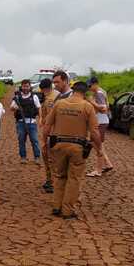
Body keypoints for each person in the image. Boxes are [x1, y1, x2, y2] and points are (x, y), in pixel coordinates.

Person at [43, 80, 102, 219]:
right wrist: (99, 148)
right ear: (85, 93)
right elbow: (94, 131)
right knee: (74, 179)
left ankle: (56, 206)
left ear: (73, 89)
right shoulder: (87, 107)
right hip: (77, 148)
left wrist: (44, 142)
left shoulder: (59, 103)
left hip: (58, 145)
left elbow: (47, 124)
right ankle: (67, 210)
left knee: (60, 176)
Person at [86, 76, 115, 177]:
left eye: (90, 86)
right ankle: (107, 164)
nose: (89, 88)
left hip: (101, 121)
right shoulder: (101, 91)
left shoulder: (99, 93)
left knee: (96, 144)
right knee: (99, 145)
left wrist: (92, 102)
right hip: (101, 121)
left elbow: (104, 109)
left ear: (95, 84)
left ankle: (98, 170)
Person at [10, 79, 42, 164]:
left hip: (32, 122)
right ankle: (23, 157)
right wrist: (14, 107)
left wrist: (41, 118)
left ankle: (37, 157)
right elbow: (11, 108)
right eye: (24, 86)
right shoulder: (17, 97)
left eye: (27, 86)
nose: (25, 88)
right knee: (21, 140)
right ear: (21, 86)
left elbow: (39, 108)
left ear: (30, 87)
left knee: (34, 140)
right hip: (20, 122)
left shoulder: (34, 97)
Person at [38, 78, 57, 193]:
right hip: (52, 132)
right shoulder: (55, 95)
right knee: (48, 157)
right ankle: (50, 180)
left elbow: (50, 119)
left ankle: (52, 182)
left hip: (51, 133)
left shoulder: (51, 99)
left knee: (49, 158)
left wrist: (45, 138)